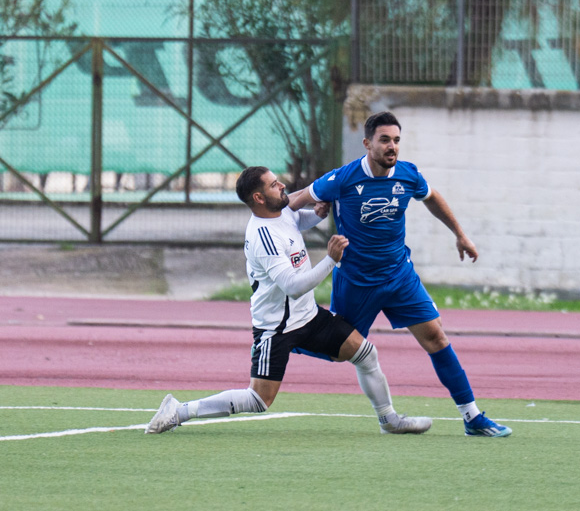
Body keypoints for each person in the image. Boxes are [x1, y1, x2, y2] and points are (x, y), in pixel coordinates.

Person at [146, 165, 431, 436]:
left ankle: (389, 420)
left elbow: (296, 221)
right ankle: (179, 410)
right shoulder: (263, 237)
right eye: (274, 184)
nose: (282, 185)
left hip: (309, 317)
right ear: (259, 198)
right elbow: (293, 287)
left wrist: (316, 214)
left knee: (365, 353)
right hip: (277, 328)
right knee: (259, 400)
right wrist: (331, 259)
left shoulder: (280, 212)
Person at [288, 111, 512, 437]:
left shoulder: (408, 174)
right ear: (367, 143)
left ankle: (472, 417)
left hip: (399, 277)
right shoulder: (342, 179)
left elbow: (432, 198)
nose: (392, 146)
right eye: (384, 140)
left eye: (396, 140)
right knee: (341, 352)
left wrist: (460, 235)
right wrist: (270, 219)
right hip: (356, 282)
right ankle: (289, 340)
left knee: (436, 337)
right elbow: (294, 202)